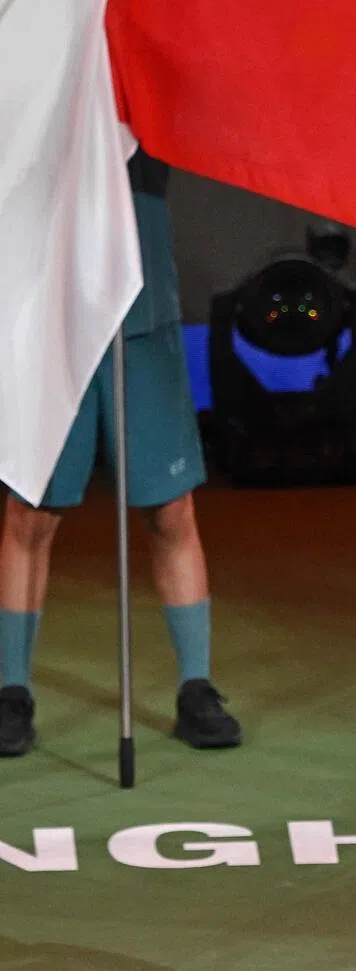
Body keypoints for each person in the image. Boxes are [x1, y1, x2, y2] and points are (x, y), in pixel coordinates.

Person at [0, 149, 242, 757]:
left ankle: (197, 688)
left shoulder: (139, 75)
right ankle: (11, 692)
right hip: (51, 326)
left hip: (141, 323)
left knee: (171, 511)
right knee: (29, 513)